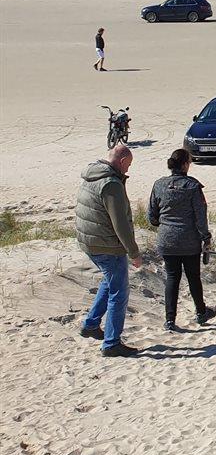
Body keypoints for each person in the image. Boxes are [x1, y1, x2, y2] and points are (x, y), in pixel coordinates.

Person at [76, 144, 141, 357]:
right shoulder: (111, 184)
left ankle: (91, 325)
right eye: (128, 165)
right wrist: (133, 252)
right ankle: (112, 343)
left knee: (109, 281)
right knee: (119, 292)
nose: (128, 170)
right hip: (107, 246)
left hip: (89, 242)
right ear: (122, 161)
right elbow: (120, 223)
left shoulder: (92, 175)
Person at [149, 149, 216, 331]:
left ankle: (170, 320)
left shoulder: (159, 185)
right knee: (193, 276)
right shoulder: (193, 186)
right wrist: (206, 237)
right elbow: (200, 217)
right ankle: (201, 312)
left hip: (167, 240)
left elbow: (152, 216)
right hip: (189, 240)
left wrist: (164, 224)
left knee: (172, 277)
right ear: (185, 164)